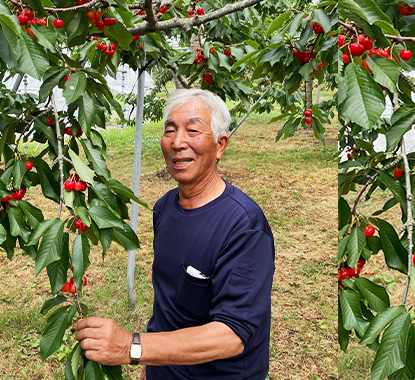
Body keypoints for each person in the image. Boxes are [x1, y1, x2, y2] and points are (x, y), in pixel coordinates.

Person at [73, 89, 275, 380]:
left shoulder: (244, 226)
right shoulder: (165, 207)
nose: (178, 142)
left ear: (220, 146)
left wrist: (132, 347)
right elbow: (168, 303)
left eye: (193, 130)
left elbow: (232, 335)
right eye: (170, 130)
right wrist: (151, 368)